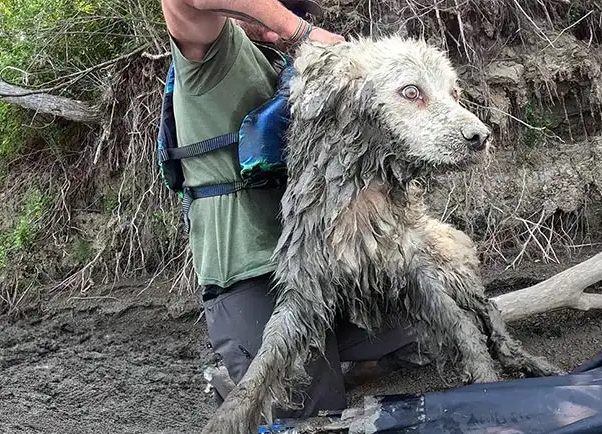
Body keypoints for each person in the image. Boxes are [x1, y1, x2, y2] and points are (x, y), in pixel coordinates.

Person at [159, 0, 428, 423]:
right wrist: (298, 31)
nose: (277, 20)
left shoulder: (295, 71)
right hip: (251, 271)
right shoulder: (211, 57)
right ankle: (242, 378)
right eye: (273, 8)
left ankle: (340, 365)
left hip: (319, 267)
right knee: (308, 413)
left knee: (423, 331)